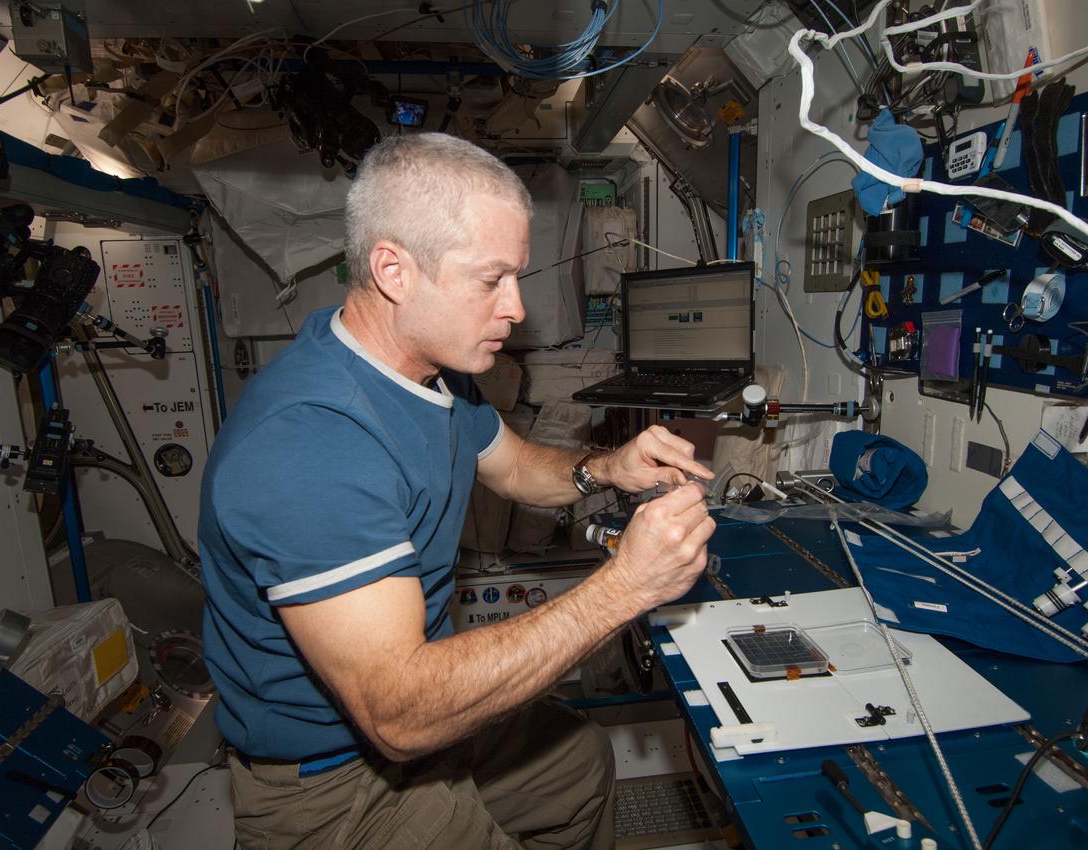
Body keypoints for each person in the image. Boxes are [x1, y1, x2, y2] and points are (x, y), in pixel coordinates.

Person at [199, 132, 717, 850]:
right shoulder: (309, 443)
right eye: (491, 279)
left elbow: (511, 466)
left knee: (577, 761)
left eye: (517, 277)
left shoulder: (428, 375)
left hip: (410, 739)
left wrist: (607, 467)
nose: (515, 307)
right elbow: (400, 713)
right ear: (394, 271)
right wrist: (627, 585)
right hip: (338, 781)